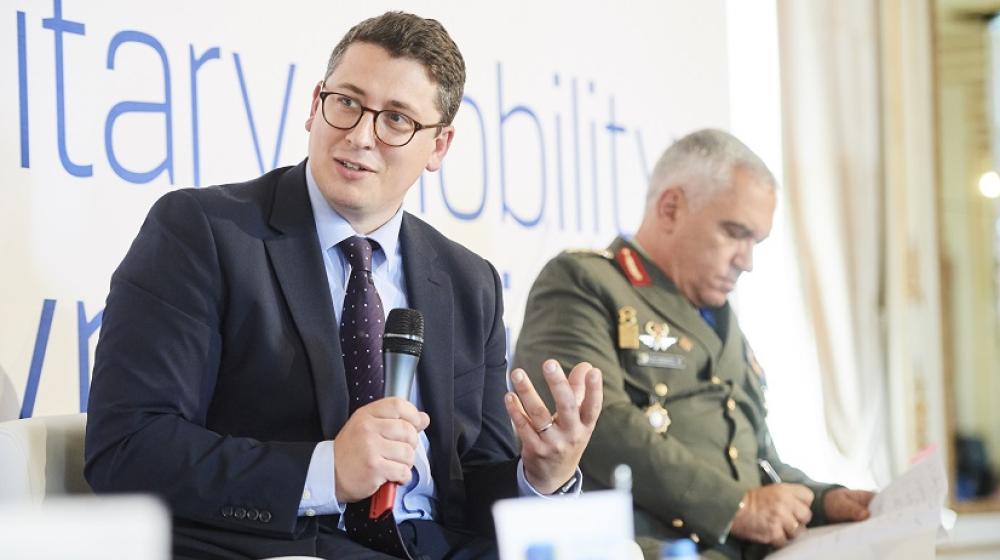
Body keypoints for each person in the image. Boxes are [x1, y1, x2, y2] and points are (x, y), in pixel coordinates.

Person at [84, 12, 601, 560]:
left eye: (396, 119)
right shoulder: (205, 232)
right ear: (315, 105)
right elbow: (126, 447)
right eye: (347, 102)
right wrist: (325, 471)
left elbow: (472, 486)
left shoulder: (469, 283)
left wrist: (540, 478)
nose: (359, 135)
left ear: (439, 146)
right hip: (288, 547)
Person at [512, 129, 874, 560]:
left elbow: (756, 459)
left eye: (755, 242)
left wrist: (824, 502)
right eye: (735, 233)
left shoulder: (721, 319)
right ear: (671, 209)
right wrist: (736, 507)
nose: (746, 261)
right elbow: (598, 427)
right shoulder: (585, 282)